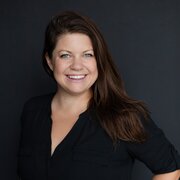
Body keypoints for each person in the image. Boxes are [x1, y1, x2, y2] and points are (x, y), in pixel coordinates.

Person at [17, 11, 180, 180]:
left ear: (99, 61)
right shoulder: (32, 111)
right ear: (50, 61)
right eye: (65, 55)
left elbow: (170, 170)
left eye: (87, 55)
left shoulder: (123, 117)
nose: (77, 66)